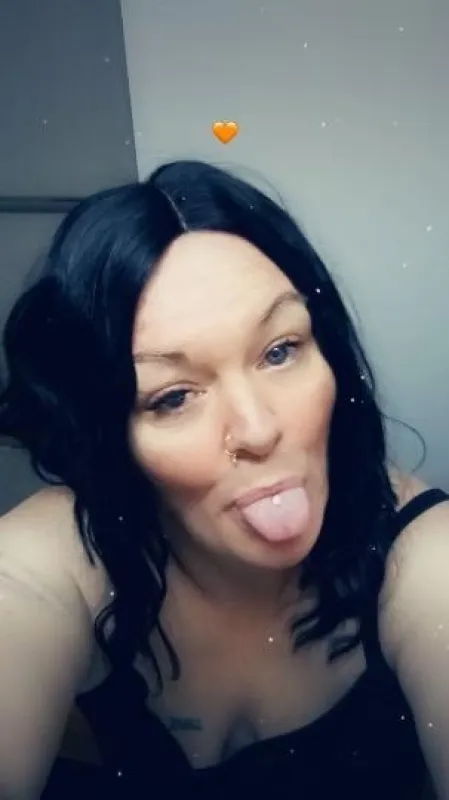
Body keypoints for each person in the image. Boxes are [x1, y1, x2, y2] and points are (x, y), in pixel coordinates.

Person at [0, 160, 448, 800]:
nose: (259, 429)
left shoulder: (426, 556)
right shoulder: (50, 564)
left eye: (279, 351)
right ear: (110, 433)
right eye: (173, 397)